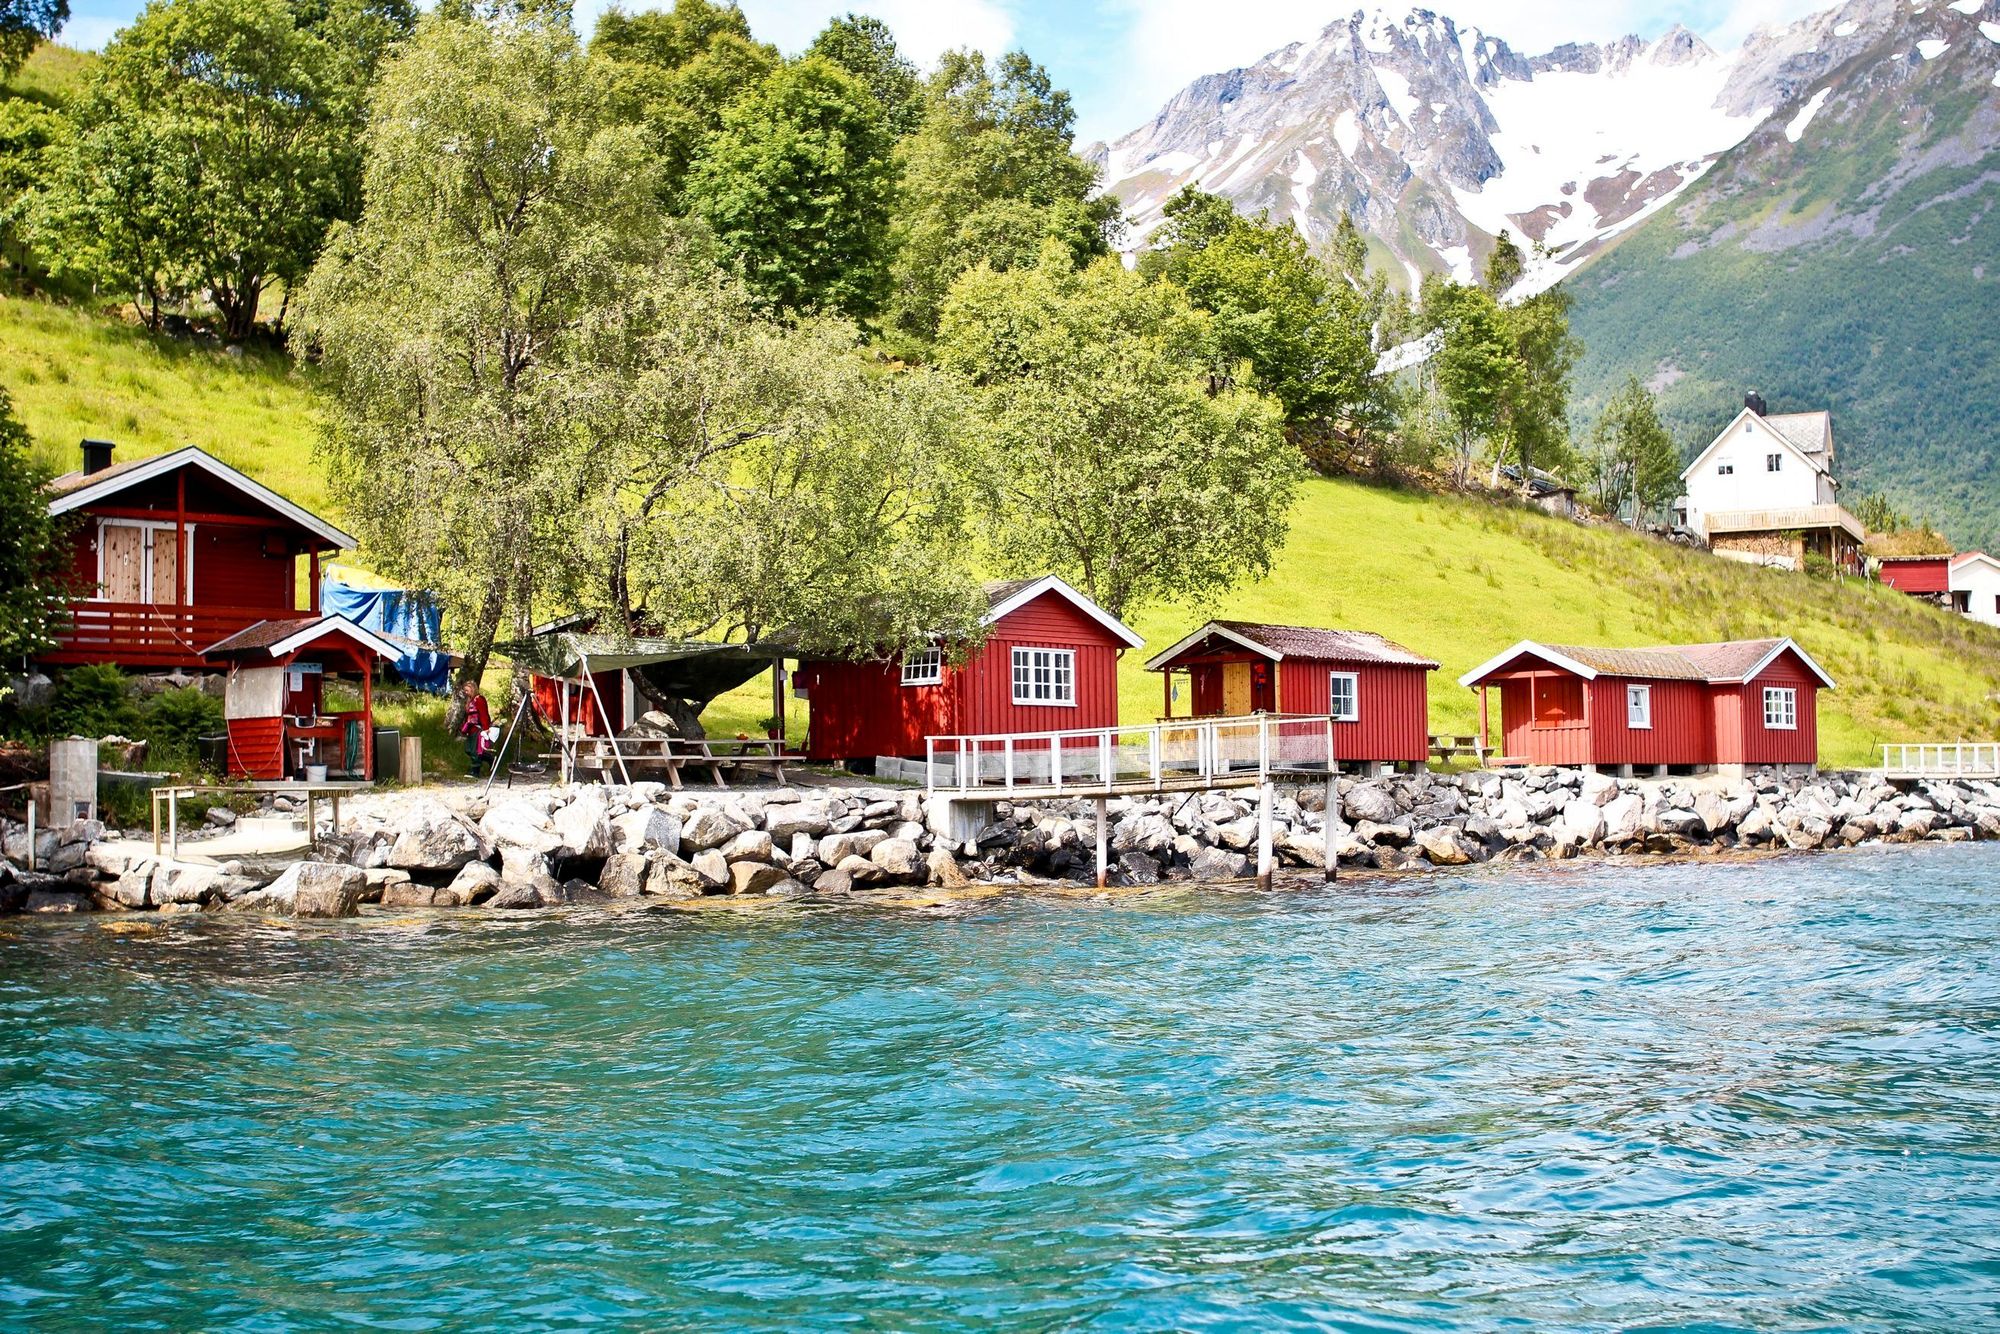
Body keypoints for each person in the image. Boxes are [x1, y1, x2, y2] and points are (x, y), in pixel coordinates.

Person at [459, 679, 493, 777]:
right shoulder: (469, 701)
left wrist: (486, 728)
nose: (466, 693)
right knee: (468, 749)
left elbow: (483, 714)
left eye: (467, 690)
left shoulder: (479, 699)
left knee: (475, 750)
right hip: (470, 729)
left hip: (478, 729)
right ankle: (490, 759)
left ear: (472, 689)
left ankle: (475, 771)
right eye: (465, 691)